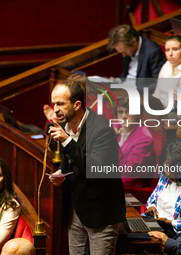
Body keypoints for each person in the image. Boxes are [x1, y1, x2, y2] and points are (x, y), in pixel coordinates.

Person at [48, 80, 126, 254]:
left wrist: (67, 141)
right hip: (76, 209)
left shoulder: (102, 129)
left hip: (101, 213)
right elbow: (70, 159)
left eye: (60, 103)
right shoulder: (64, 126)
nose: (55, 109)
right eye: (54, 103)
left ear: (77, 105)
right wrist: (62, 172)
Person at [107, 24, 166, 94]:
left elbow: (159, 84)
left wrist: (133, 89)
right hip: (124, 90)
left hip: (140, 95)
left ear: (134, 43)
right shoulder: (127, 50)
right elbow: (126, 74)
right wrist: (117, 81)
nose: (123, 55)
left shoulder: (153, 52)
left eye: (125, 51)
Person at [114, 95, 156, 187]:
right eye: (120, 112)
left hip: (127, 186)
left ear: (137, 114)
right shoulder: (118, 125)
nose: (124, 116)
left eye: (128, 112)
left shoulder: (145, 139)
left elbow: (126, 172)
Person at [153, 35, 181, 107]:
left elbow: (179, 103)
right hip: (159, 107)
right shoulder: (166, 65)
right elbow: (157, 92)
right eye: (167, 50)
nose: (170, 54)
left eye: (175, 49)